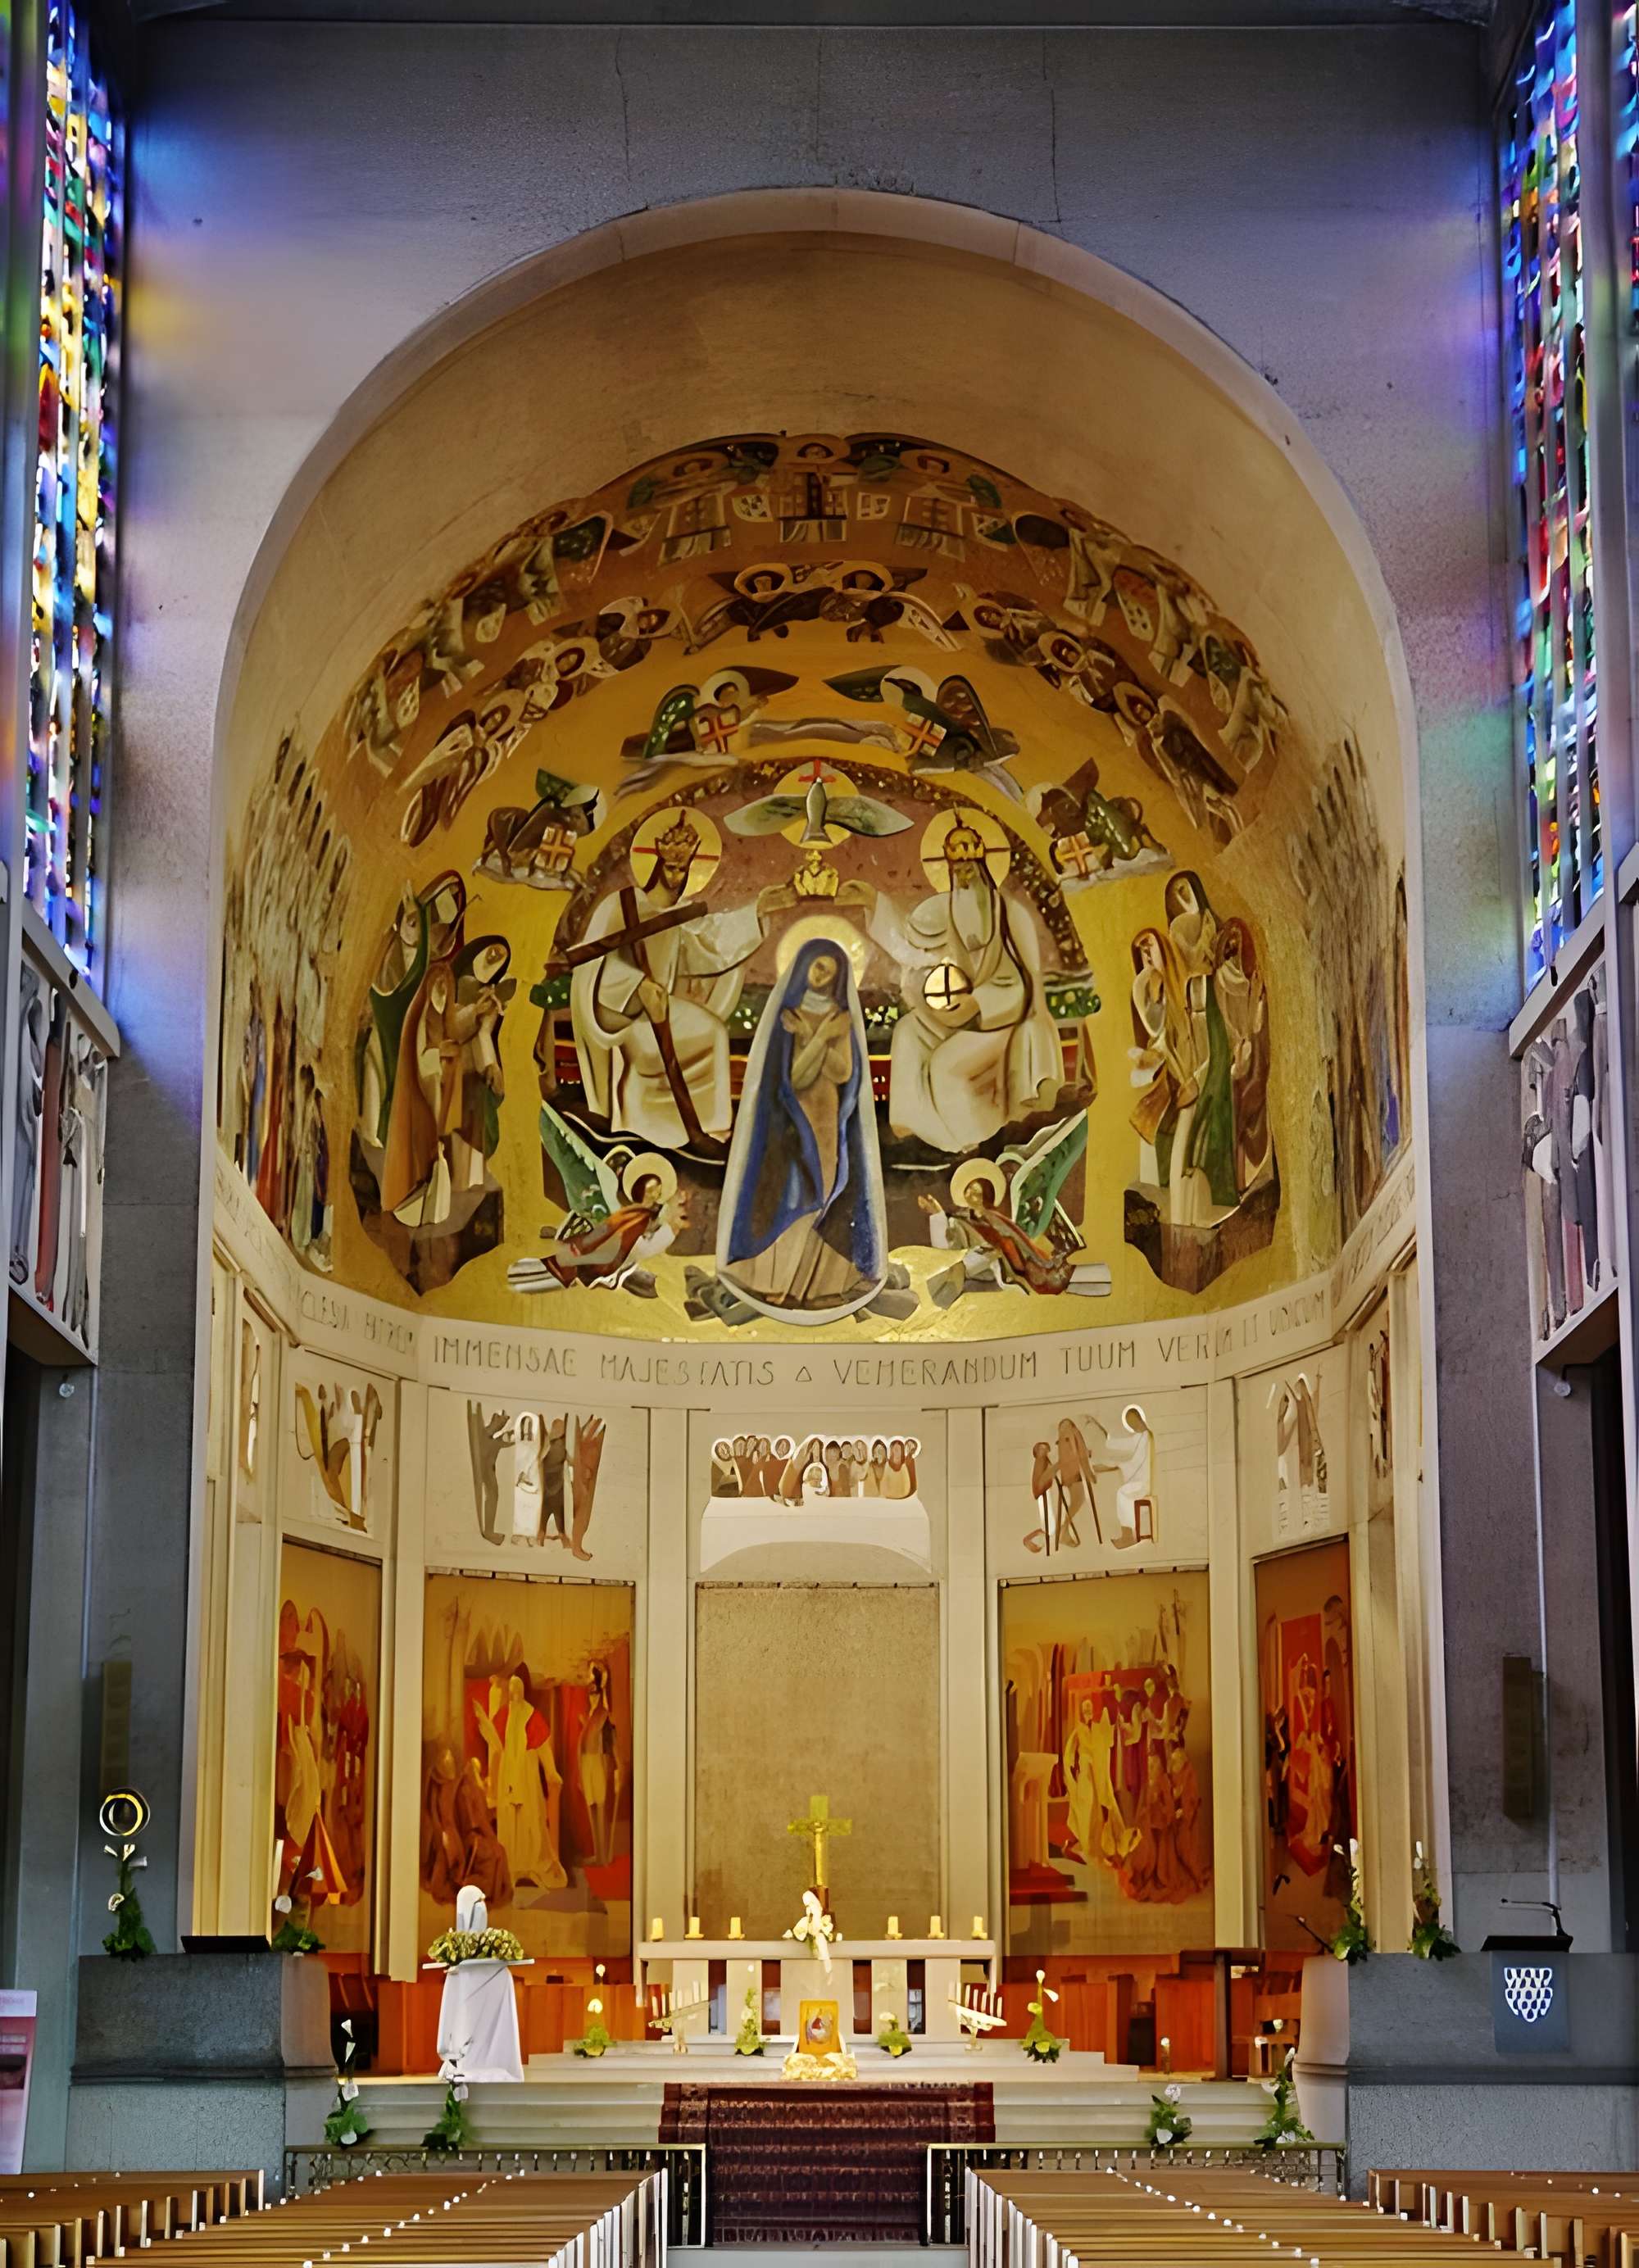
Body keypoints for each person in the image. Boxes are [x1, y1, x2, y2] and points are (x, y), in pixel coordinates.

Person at [860, 818, 1061, 1150]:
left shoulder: (1011, 915)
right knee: (908, 1032)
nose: (964, 870)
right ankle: (914, 1128)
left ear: (983, 861)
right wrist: (874, 903)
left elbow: (1029, 983)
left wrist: (981, 1001)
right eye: (956, 862)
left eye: (970, 859)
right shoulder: (946, 911)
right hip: (963, 1017)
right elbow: (912, 942)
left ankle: (969, 1144)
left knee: (944, 1066)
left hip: (1006, 1023)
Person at [717, 938, 888, 1321]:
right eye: (817, 966)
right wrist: (820, 1037)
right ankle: (776, 1280)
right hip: (794, 1119)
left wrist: (814, 1037)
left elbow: (844, 1073)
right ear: (805, 969)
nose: (822, 973)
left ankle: (815, 1283)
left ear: (838, 976)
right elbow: (796, 1075)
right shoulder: (790, 1016)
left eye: (829, 969)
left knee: (826, 1187)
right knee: (796, 1192)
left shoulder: (839, 1019)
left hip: (828, 1114)